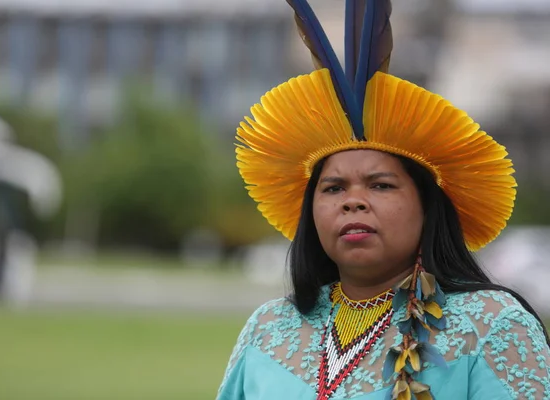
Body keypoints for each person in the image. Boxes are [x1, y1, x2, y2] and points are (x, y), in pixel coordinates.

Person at [217, 1, 550, 399]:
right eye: (334, 188)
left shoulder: (493, 326)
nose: (353, 201)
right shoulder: (269, 327)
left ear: (428, 206)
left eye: (380, 185)